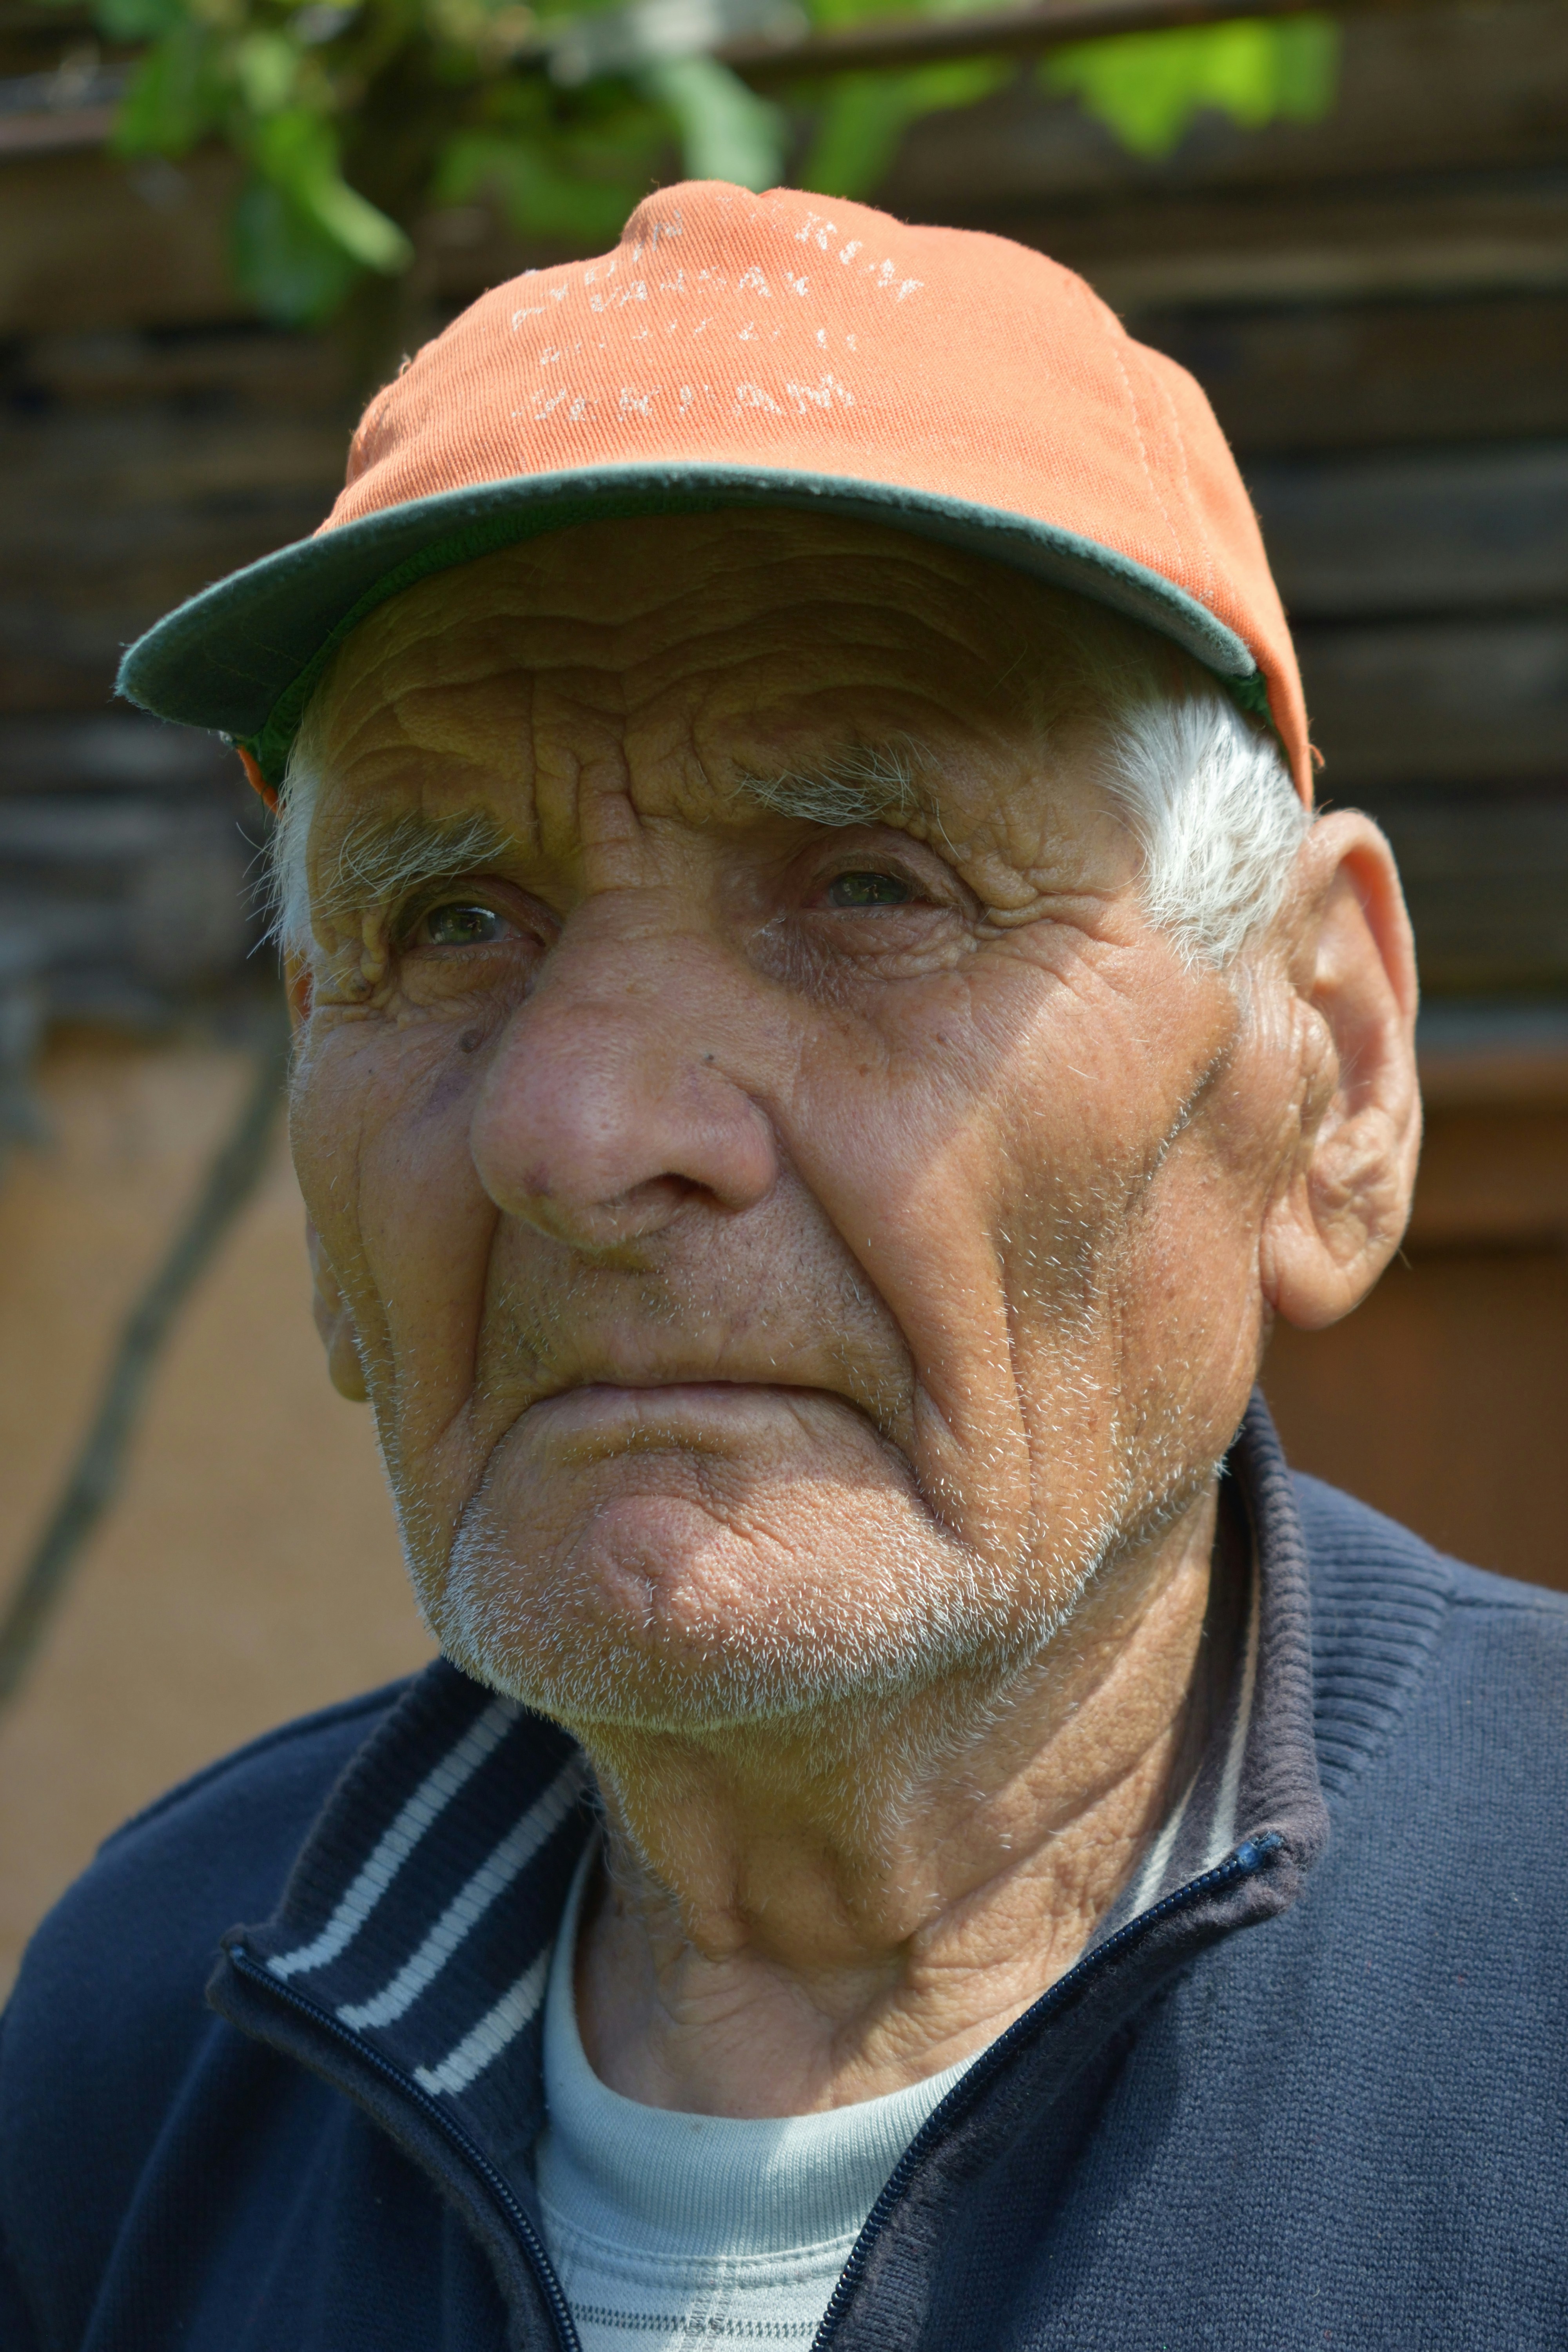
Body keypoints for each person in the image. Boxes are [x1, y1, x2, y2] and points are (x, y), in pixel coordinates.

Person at [3, 180, 1564, 2350]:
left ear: (1332, 1072)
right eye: (449, 921)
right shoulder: (144, 2043)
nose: (578, 1132)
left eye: (869, 890)